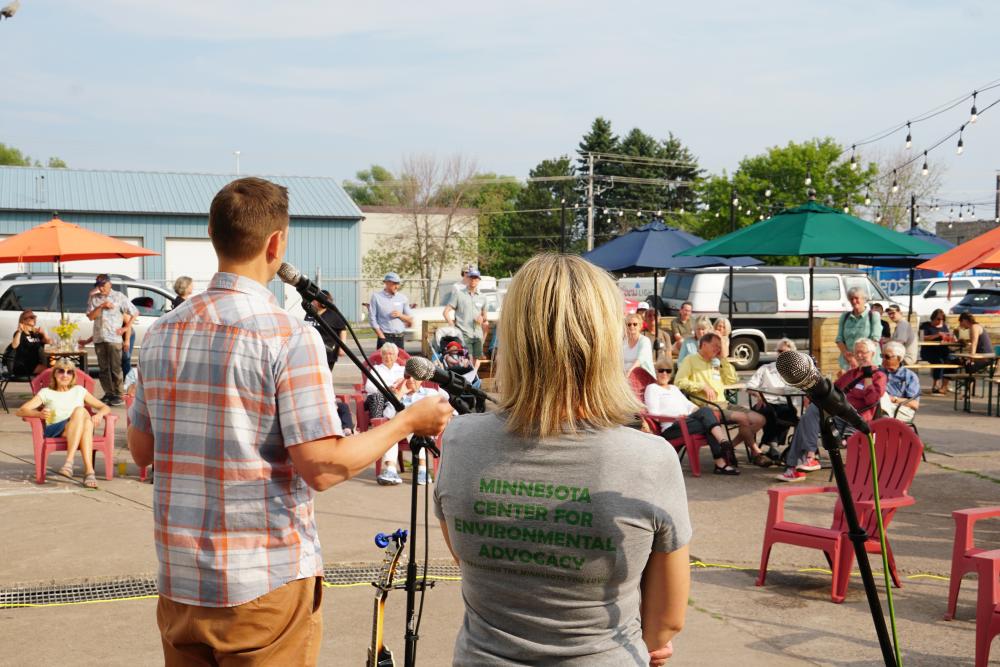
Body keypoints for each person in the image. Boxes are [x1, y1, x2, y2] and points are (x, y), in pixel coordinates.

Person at [126, 177, 451, 666]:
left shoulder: (161, 333)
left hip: (180, 584)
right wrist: (406, 422)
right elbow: (321, 467)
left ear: (214, 236)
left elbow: (143, 451)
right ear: (276, 244)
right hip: (263, 586)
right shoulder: (286, 335)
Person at [434, 253, 690, 665]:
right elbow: (666, 621)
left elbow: (470, 559)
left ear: (513, 339)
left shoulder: (460, 441)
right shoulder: (650, 458)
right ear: (605, 340)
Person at [776, 338, 886, 482]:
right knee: (810, 414)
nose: (859, 355)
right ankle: (808, 458)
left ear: (872, 353)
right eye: (856, 352)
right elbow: (832, 389)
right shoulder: (852, 373)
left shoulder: (879, 376)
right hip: (838, 414)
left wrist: (867, 377)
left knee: (809, 417)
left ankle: (797, 465)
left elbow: (872, 400)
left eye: (862, 352)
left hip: (856, 419)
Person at [675, 332, 770, 467]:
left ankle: (729, 446)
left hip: (724, 404)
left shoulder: (716, 362)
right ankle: (756, 452)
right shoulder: (691, 360)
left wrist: (723, 360)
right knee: (743, 418)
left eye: (719, 346)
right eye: (715, 346)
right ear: (704, 344)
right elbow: (679, 382)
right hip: (708, 407)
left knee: (760, 419)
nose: (717, 348)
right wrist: (701, 386)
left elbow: (731, 380)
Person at [17, 359, 109, 489]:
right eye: (61, 371)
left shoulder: (79, 390)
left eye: (69, 372)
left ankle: (84, 470)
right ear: (55, 374)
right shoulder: (46, 392)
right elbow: (21, 411)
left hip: (77, 428)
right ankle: (81, 467)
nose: (65, 375)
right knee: (81, 411)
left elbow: (104, 407)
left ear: (73, 376)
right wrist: (39, 414)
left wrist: (99, 415)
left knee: (87, 423)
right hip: (56, 429)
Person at [645, 360, 738, 475]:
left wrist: (701, 413)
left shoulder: (674, 389)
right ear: (656, 372)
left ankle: (722, 446)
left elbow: (689, 405)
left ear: (671, 374)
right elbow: (654, 414)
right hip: (672, 427)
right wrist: (676, 418)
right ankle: (721, 456)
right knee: (708, 423)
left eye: (668, 371)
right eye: (661, 371)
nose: (664, 374)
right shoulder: (652, 388)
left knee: (706, 412)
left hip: (687, 422)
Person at [86, 274, 137, 406]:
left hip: (114, 338)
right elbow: (91, 316)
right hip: (99, 337)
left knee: (115, 367)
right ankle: (108, 393)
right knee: (103, 368)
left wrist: (126, 329)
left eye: (103, 285)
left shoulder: (119, 296)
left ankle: (119, 394)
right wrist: (101, 306)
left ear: (110, 284)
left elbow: (134, 312)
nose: (101, 288)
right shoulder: (94, 298)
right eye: (99, 285)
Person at [747, 337, 800, 461]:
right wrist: (758, 395)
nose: (783, 355)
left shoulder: (794, 372)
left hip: (784, 404)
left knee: (789, 412)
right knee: (770, 411)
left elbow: (804, 389)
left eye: (787, 353)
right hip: (765, 403)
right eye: (780, 351)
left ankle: (773, 446)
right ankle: (773, 446)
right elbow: (750, 386)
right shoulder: (765, 368)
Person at [363, 342, 407, 485]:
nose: (388, 357)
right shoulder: (376, 369)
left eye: (391, 354)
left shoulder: (402, 370)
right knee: (376, 396)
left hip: (397, 401)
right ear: (381, 356)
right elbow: (369, 387)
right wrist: (386, 388)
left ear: (396, 356)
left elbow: (408, 385)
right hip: (380, 400)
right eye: (385, 354)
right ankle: (379, 423)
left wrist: (397, 389)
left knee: (400, 399)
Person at [444, 267, 488, 364]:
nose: (473, 280)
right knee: (469, 359)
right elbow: (446, 312)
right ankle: (467, 378)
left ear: (479, 280)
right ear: (467, 278)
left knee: (475, 359)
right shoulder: (459, 294)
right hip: (463, 333)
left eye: (476, 278)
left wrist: (482, 318)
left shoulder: (483, 297)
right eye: (471, 278)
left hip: (477, 334)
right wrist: (452, 325)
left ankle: (471, 379)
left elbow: (485, 317)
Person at [835, 287, 882, 372]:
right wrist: (849, 357)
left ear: (864, 299)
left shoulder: (874, 316)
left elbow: (875, 340)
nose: (854, 301)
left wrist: (859, 358)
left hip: (868, 362)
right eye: (851, 299)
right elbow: (839, 339)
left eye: (856, 298)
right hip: (848, 363)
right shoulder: (844, 316)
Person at [304, 289, 347, 371]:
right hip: (312, 351)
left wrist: (342, 347)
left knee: (324, 376)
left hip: (328, 352)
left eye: (314, 299)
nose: (312, 301)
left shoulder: (333, 314)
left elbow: (342, 329)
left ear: (321, 301)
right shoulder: (310, 313)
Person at [368, 272, 413, 350]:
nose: (397, 286)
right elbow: (372, 318)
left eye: (398, 284)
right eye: (394, 283)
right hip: (385, 337)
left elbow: (410, 319)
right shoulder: (376, 297)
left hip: (399, 338)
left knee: (399, 362)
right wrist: (381, 336)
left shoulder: (403, 298)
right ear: (387, 283)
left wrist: (400, 315)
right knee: (384, 361)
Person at [879, 341, 920, 424]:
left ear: (899, 358)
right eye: (882, 356)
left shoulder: (910, 376)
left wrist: (892, 399)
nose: (883, 359)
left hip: (901, 409)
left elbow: (914, 404)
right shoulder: (877, 372)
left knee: (880, 409)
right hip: (879, 408)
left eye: (887, 357)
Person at [919, 308, 953, 394]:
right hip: (929, 351)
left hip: (943, 350)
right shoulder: (926, 326)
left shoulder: (944, 326)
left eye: (942, 319)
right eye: (938, 319)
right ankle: (936, 385)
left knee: (952, 359)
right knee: (939, 362)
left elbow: (948, 337)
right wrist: (937, 335)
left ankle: (945, 385)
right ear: (933, 318)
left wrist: (947, 338)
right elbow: (922, 338)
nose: (940, 321)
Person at [10, 310, 49, 376]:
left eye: (34, 317)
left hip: (36, 364)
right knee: (49, 371)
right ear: (23, 320)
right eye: (31, 317)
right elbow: (14, 346)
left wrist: (44, 334)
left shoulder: (37, 333)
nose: (34, 318)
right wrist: (19, 331)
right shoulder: (20, 333)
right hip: (23, 365)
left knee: (53, 368)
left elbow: (50, 343)